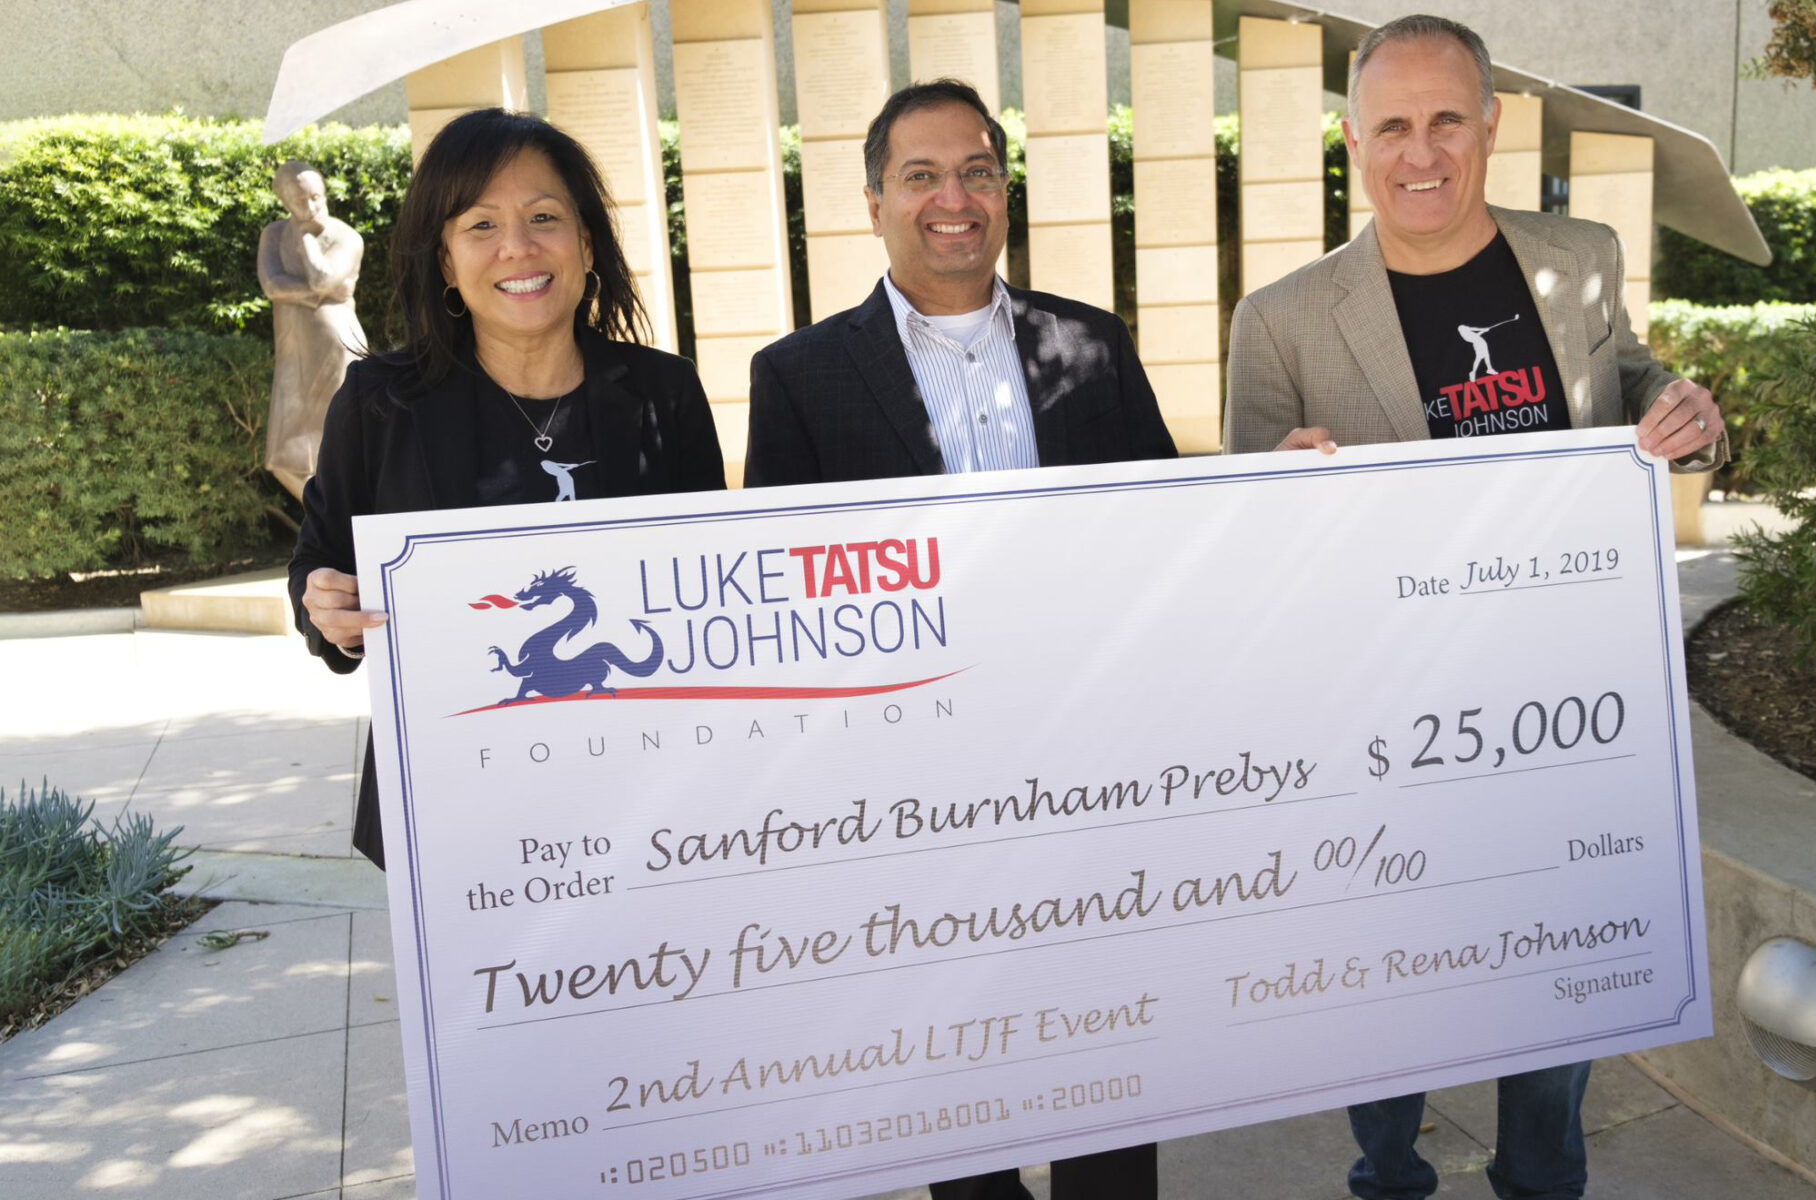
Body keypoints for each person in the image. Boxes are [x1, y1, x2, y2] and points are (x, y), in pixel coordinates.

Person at [1223, 15, 1725, 1200]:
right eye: (1390, 125)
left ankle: (1541, 1181)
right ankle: (1388, 1173)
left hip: (1566, 710)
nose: (1420, 151)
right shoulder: (1283, 318)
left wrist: (1687, 416)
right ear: (1352, 140)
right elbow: (1241, 547)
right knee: (1390, 1003)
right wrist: (1274, 495)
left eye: (1446, 118)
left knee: (1556, 1004)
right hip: (1383, 732)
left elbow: (1635, 384)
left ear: (1490, 122)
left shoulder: (1579, 256)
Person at [744, 79, 1174, 1200]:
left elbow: (1169, 542)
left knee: (1104, 1067)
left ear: (1003, 190)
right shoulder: (796, 377)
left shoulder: (1093, 344)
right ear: (873, 200)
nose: (953, 198)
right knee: (955, 1085)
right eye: (921, 175)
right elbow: (788, 608)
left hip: (1089, 776)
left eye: (976, 171)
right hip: (913, 797)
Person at [289, 108, 725, 868]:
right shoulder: (380, 402)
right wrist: (325, 605)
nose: (518, 247)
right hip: (453, 798)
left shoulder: (665, 395)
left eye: (545, 217)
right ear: (446, 262)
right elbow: (319, 566)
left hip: (648, 795)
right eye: (481, 226)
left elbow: (709, 587)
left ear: (586, 243)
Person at [258, 159, 367, 499]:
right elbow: (273, 286)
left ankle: (342, 525)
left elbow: (322, 278)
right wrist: (322, 296)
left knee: (339, 443)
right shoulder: (274, 234)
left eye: (316, 197)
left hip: (336, 346)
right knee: (285, 456)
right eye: (300, 201)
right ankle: (326, 524)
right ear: (285, 202)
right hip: (293, 348)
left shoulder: (346, 237)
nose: (311, 206)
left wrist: (306, 240)